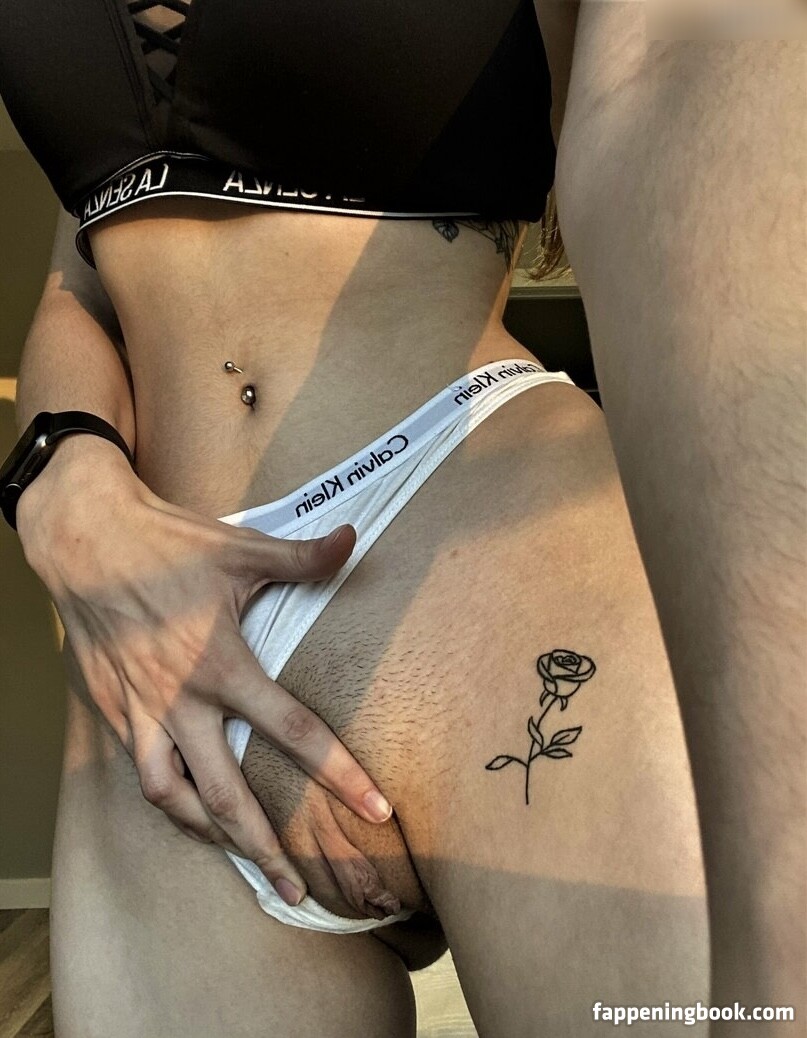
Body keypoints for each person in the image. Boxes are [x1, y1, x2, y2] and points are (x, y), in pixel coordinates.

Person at [0, 1, 802, 1036]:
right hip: (154, 664)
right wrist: (62, 488)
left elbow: (680, 93)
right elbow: (78, 276)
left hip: (482, 557)